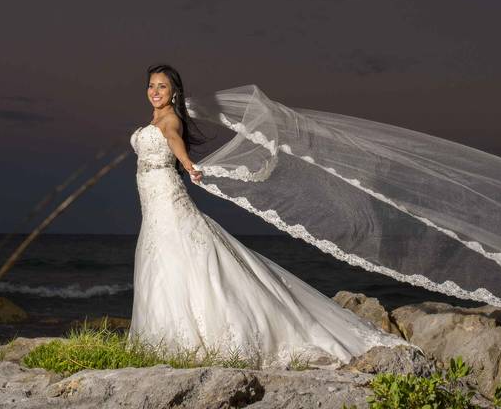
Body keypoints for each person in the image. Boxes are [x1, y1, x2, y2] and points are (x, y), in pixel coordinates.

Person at [126, 63, 408, 369]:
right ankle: (161, 335)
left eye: (162, 86)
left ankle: (194, 336)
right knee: (166, 257)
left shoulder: (169, 120)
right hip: (152, 199)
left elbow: (172, 138)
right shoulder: (155, 117)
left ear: (174, 92)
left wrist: (188, 164)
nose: (155, 92)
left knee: (179, 253)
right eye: (152, 86)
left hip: (166, 197)